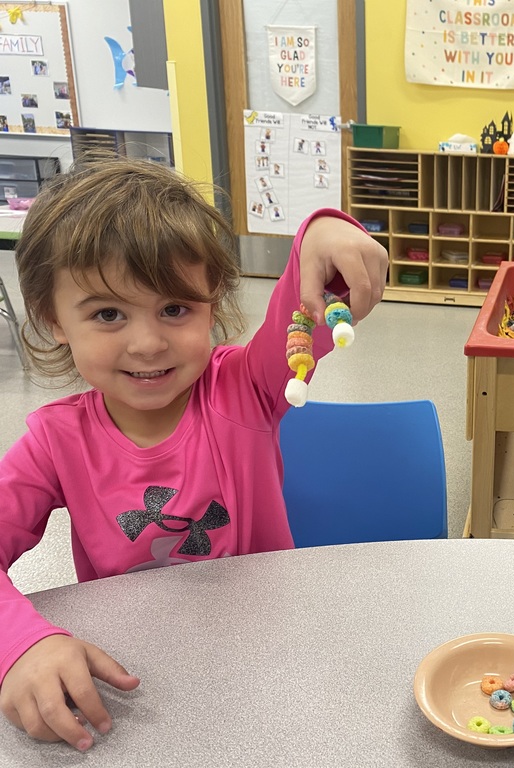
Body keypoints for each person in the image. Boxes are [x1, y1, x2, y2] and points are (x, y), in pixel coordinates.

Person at [0, 157, 388, 749]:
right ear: (54, 319)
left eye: (176, 309)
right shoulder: (56, 443)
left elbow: (308, 298)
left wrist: (323, 229)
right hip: (139, 685)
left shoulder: (246, 389)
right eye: (108, 313)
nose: (148, 342)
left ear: (211, 304)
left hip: (274, 658)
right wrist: (22, 644)